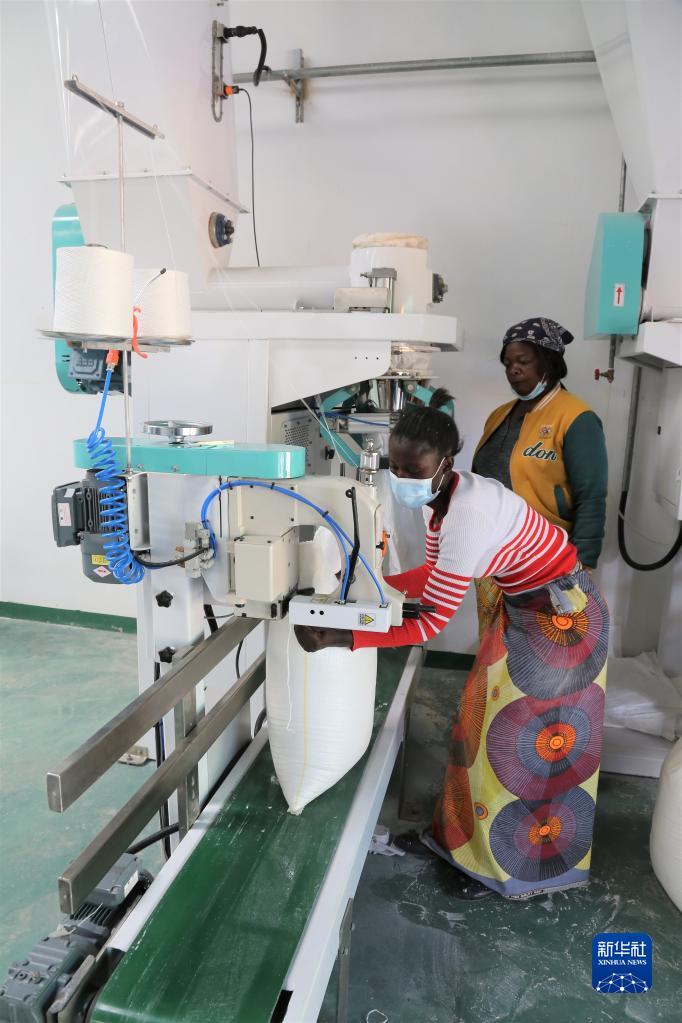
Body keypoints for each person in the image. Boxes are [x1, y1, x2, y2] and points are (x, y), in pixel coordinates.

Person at [295, 390, 609, 901]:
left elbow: (430, 624)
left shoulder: (468, 514)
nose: (403, 479)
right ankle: (459, 845)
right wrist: (370, 586)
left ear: (445, 464)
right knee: (477, 726)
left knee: (521, 747)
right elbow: (434, 575)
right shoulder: (440, 502)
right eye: (396, 468)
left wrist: (342, 636)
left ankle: (504, 869)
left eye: (414, 471)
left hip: (562, 621)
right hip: (526, 608)